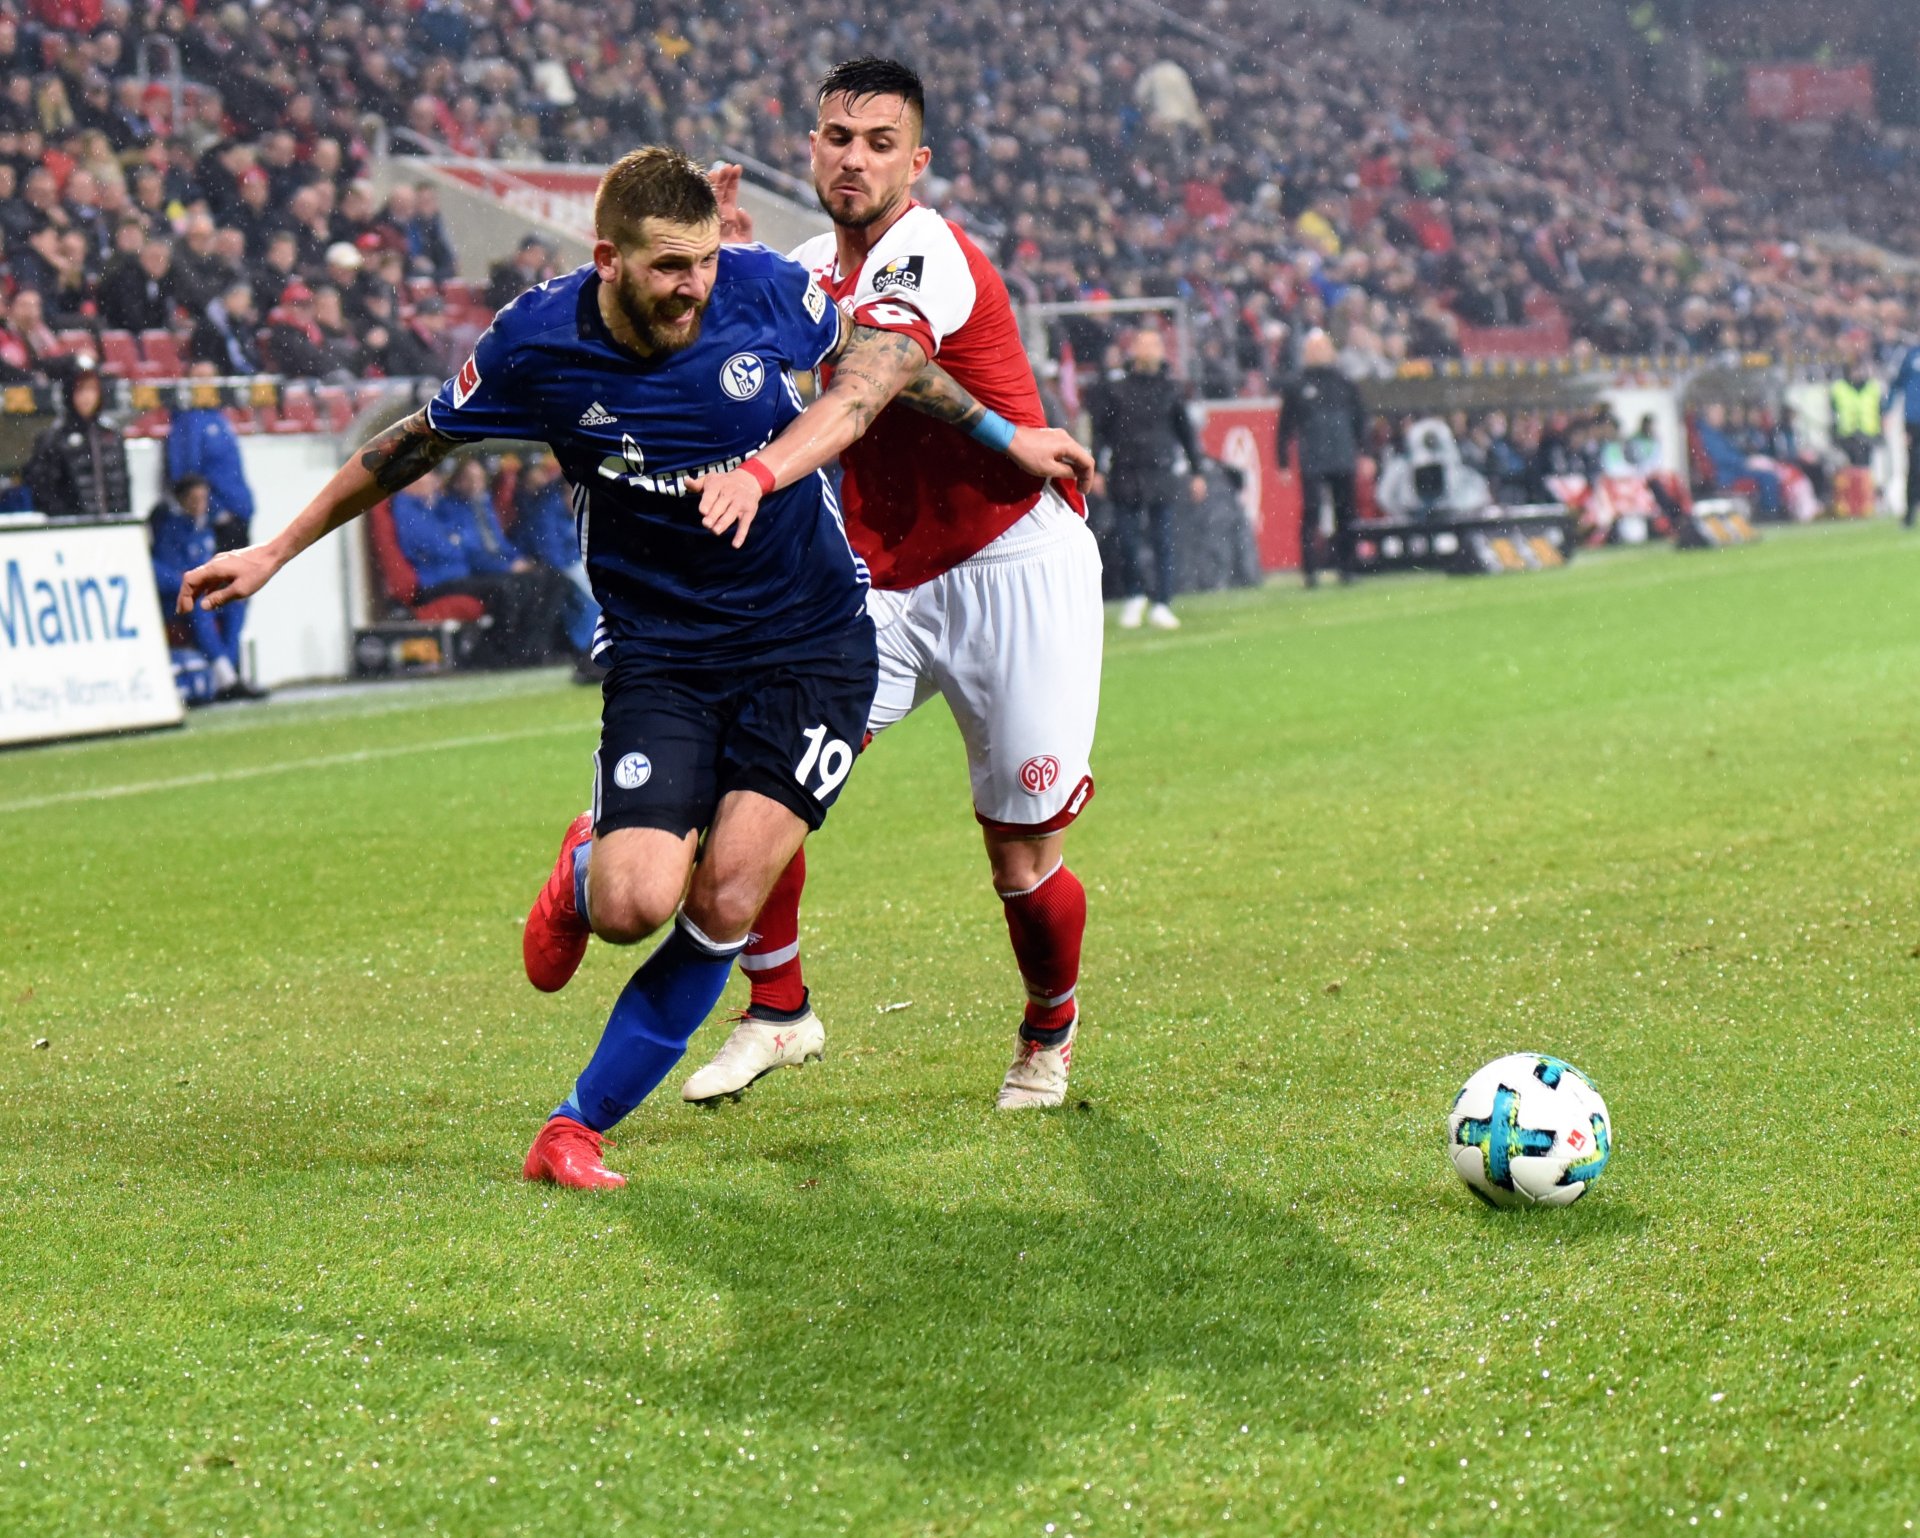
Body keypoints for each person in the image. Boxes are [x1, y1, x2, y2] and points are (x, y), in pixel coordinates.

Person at [179, 146, 1086, 1189]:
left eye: (703, 260)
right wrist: (273, 551)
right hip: (663, 655)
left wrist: (1007, 432)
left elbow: (893, 366)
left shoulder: (763, 291)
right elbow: (412, 444)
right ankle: (583, 865)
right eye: (666, 267)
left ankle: (575, 1127)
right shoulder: (537, 340)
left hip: (814, 642)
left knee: (729, 894)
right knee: (630, 904)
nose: (692, 284)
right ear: (607, 258)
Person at [678, 57, 1105, 1112]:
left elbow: (880, 378)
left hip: (1013, 563)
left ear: (915, 162)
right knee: (757, 782)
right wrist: (718, 273)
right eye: (835, 137)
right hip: (877, 585)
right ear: (810, 146)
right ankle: (778, 1009)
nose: (852, 158)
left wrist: (763, 471)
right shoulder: (801, 262)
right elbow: (733, 343)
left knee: (1019, 854)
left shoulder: (931, 251)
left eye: (878, 143)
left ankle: (1049, 1026)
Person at [388, 459, 571, 669]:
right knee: (509, 589)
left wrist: (515, 560)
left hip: (459, 574)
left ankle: (532, 649)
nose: (433, 481)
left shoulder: (432, 506)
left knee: (552, 581)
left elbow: (470, 544)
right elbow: (443, 547)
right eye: (428, 476)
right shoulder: (412, 507)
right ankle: (496, 653)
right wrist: (455, 543)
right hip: (437, 581)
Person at [1087, 326, 1205, 629]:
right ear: (1134, 349)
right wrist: (1096, 468)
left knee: (1163, 538)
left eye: (1155, 344)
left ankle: (1162, 601)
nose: (1149, 350)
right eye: (1144, 343)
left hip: (1161, 470)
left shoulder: (1172, 389)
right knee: (1127, 539)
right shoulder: (1117, 389)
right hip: (1126, 470)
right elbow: (1101, 432)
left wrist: (1197, 470)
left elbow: (1186, 433)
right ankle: (1135, 595)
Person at [149, 475, 263, 701]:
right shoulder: (169, 528)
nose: (200, 503)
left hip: (199, 593)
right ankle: (227, 678)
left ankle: (226, 672)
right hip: (176, 599)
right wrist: (187, 581)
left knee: (235, 601)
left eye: (203, 498)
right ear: (181, 500)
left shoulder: (205, 527)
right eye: (194, 498)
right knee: (201, 605)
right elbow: (158, 570)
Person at [1276, 328, 1367, 587]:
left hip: (1342, 454)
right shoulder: (1297, 385)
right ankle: (1310, 570)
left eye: (1323, 347)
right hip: (1313, 456)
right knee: (1311, 512)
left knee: (1346, 512)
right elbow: (1285, 427)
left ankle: (1346, 567)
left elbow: (1359, 420)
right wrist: (1282, 461)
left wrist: (1364, 453)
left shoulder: (1344, 383)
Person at [507, 450, 600, 670]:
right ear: (564, 492)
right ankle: (586, 649)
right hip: (559, 567)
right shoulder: (547, 511)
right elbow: (550, 552)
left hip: (576, 563)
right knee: (594, 596)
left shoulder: (576, 510)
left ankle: (593, 647)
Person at [22, 358, 132, 520]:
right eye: (80, 390)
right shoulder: (53, 439)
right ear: (69, 392)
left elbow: (123, 487)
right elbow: (44, 492)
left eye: (92, 389)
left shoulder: (112, 435)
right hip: (71, 534)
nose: (87, 397)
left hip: (113, 531)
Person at [1885, 337, 1920, 527]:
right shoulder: (1910, 354)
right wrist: (1887, 410)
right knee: (1914, 468)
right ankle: (1909, 516)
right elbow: (1896, 383)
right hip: (1914, 421)